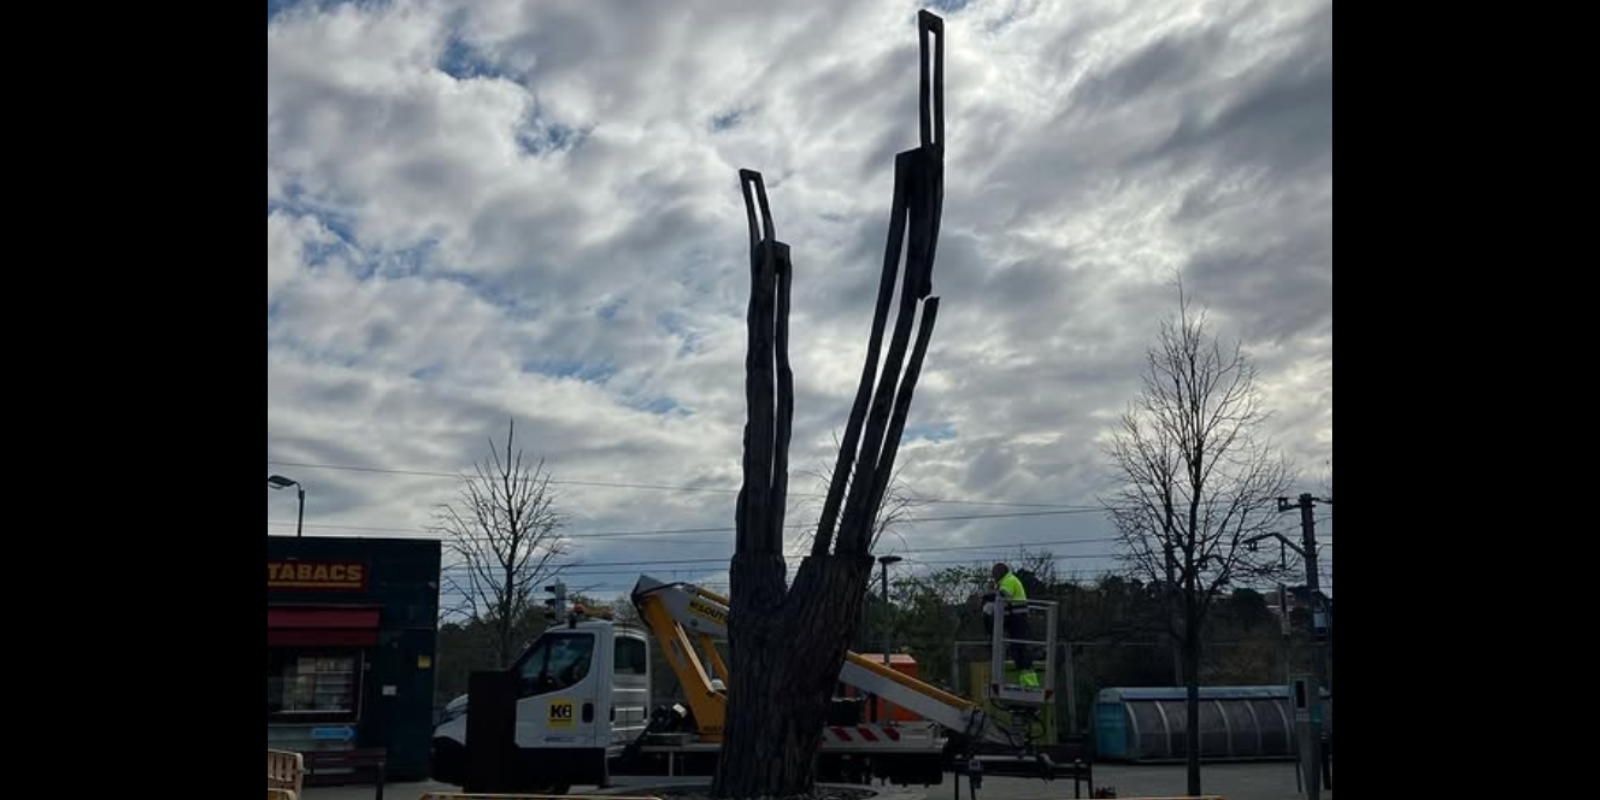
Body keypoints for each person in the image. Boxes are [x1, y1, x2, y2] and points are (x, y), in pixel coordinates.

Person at [992, 563, 1039, 689]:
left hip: (1017, 618)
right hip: (1015, 619)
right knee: (1017, 650)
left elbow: (1004, 595)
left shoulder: (1008, 580)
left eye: (994, 573)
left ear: (1000, 572)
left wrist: (991, 597)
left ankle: (1030, 683)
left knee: (1020, 649)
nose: (993, 576)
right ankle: (1026, 682)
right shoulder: (1007, 580)